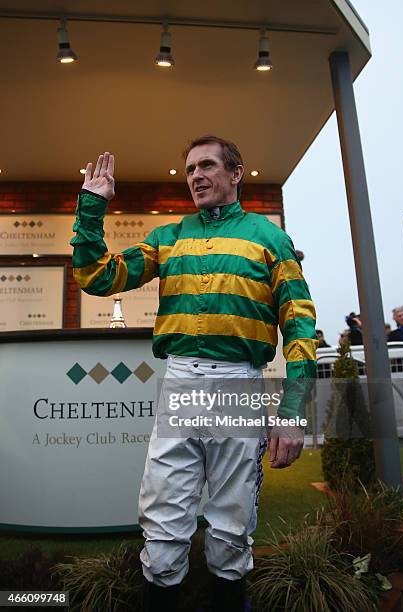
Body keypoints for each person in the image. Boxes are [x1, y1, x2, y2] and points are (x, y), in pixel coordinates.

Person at [70, 137, 318, 611]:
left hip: (240, 383)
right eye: (189, 169)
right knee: (163, 527)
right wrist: (92, 208)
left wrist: (292, 412)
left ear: (236, 172)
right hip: (181, 381)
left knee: (231, 526)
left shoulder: (270, 239)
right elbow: (98, 278)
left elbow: (301, 322)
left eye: (207, 165)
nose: (196, 176)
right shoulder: (169, 236)